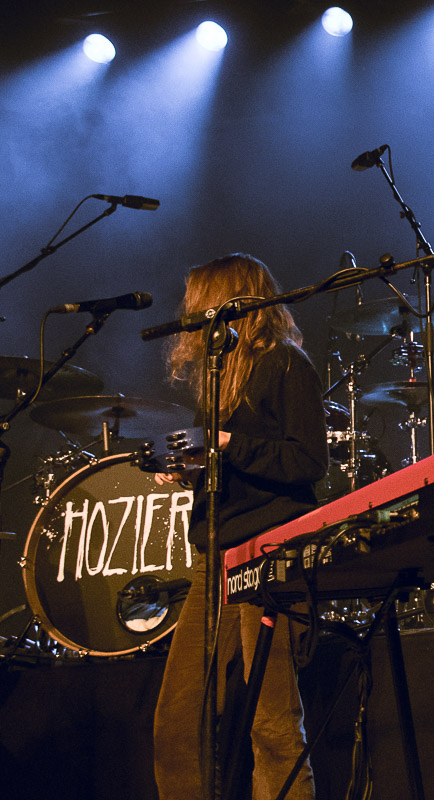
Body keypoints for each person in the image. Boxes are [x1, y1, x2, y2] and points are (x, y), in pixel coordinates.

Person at [152, 253, 329, 800]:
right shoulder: (221, 376)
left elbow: (308, 461)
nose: (191, 314)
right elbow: (229, 462)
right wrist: (188, 470)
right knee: (179, 717)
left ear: (228, 301)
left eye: (199, 302)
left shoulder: (287, 364)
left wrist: (231, 444)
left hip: (270, 551)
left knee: (270, 720)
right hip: (216, 557)